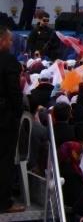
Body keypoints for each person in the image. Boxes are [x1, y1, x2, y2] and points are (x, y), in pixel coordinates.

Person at [0, 27, 23, 213]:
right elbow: (14, 92)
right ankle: (4, 202)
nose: (11, 43)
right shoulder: (8, 60)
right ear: (1, 41)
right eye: (9, 40)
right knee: (5, 160)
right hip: (4, 120)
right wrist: (17, 113)